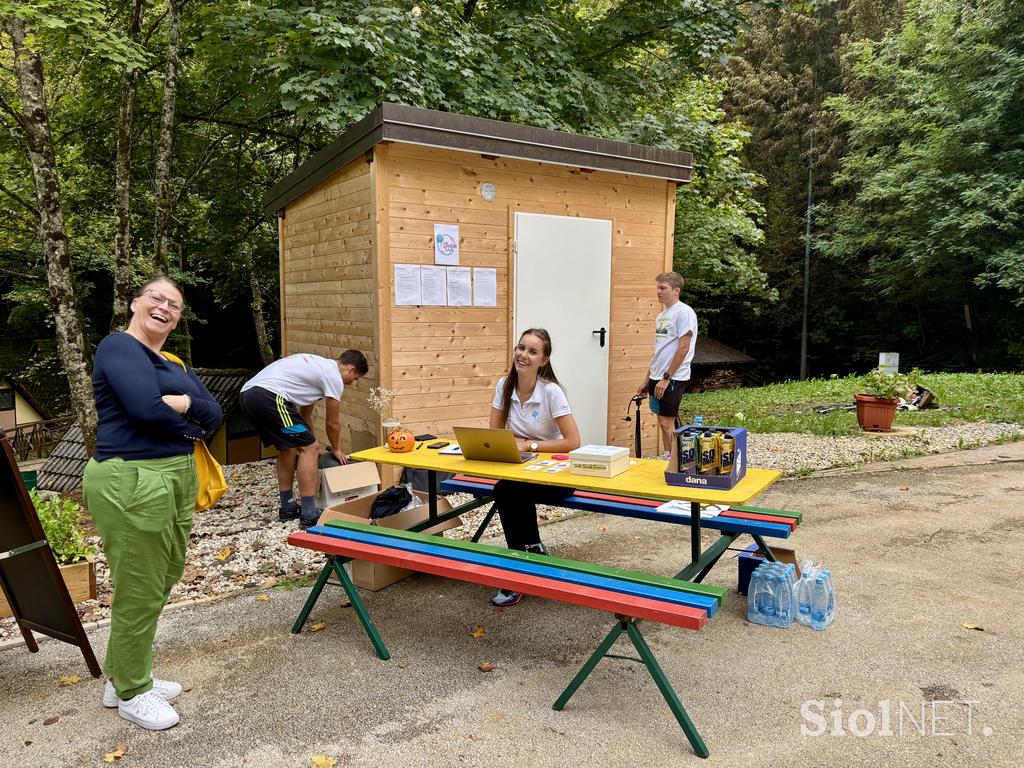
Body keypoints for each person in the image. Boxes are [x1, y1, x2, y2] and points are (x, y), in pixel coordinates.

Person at [82, 275, 223, 731]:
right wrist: (191, 417)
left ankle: (121, 673)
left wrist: (181, 402)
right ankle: (132, 691)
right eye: (156, 298)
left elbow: (216, 413)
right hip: (132, 476)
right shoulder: (119, 348)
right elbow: (144, 409)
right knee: (140, 584)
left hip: (176, 474)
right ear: (134, 303)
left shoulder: (172, 361)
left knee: (165, 573)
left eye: (175, 305)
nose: (164, 307)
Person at [488, 328, 581, 607]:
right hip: (521, 472)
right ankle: (530, 553)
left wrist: (529, 446)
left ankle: (521, 566)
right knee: (509, 488)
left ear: (544, 360)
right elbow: (494, 434)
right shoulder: (504, 385)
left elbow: (574, 442)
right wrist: (514, 446)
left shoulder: (551, 391)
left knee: (507, 491)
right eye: (521, 348)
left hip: (558, 476)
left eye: (532, 351)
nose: (523, 355)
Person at [240, 349, 368, 528]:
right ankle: (309, 513)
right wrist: (335, 448)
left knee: (290, 447)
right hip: (270, 396)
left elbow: (304, 415)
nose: (352, 384)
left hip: (249, 396)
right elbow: (333, 423)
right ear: (351, 370)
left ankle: (288, 507)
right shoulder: (334, 377)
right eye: (355, 379)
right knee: (309, 448)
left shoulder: (318, 370)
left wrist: (312, 442)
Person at [635, 271, 697, 456]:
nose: (658, 292)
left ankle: (676, 466)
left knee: (666, 422)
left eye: (663, 288)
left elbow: (683, 347)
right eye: (657, 288)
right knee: (663, 422)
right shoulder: (662, 316)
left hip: (673, 376)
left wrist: (666, 377)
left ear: (676, 290)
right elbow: (659, 351)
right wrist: (648, 379)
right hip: (657, 375)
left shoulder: (684, 312)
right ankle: (669, 458)